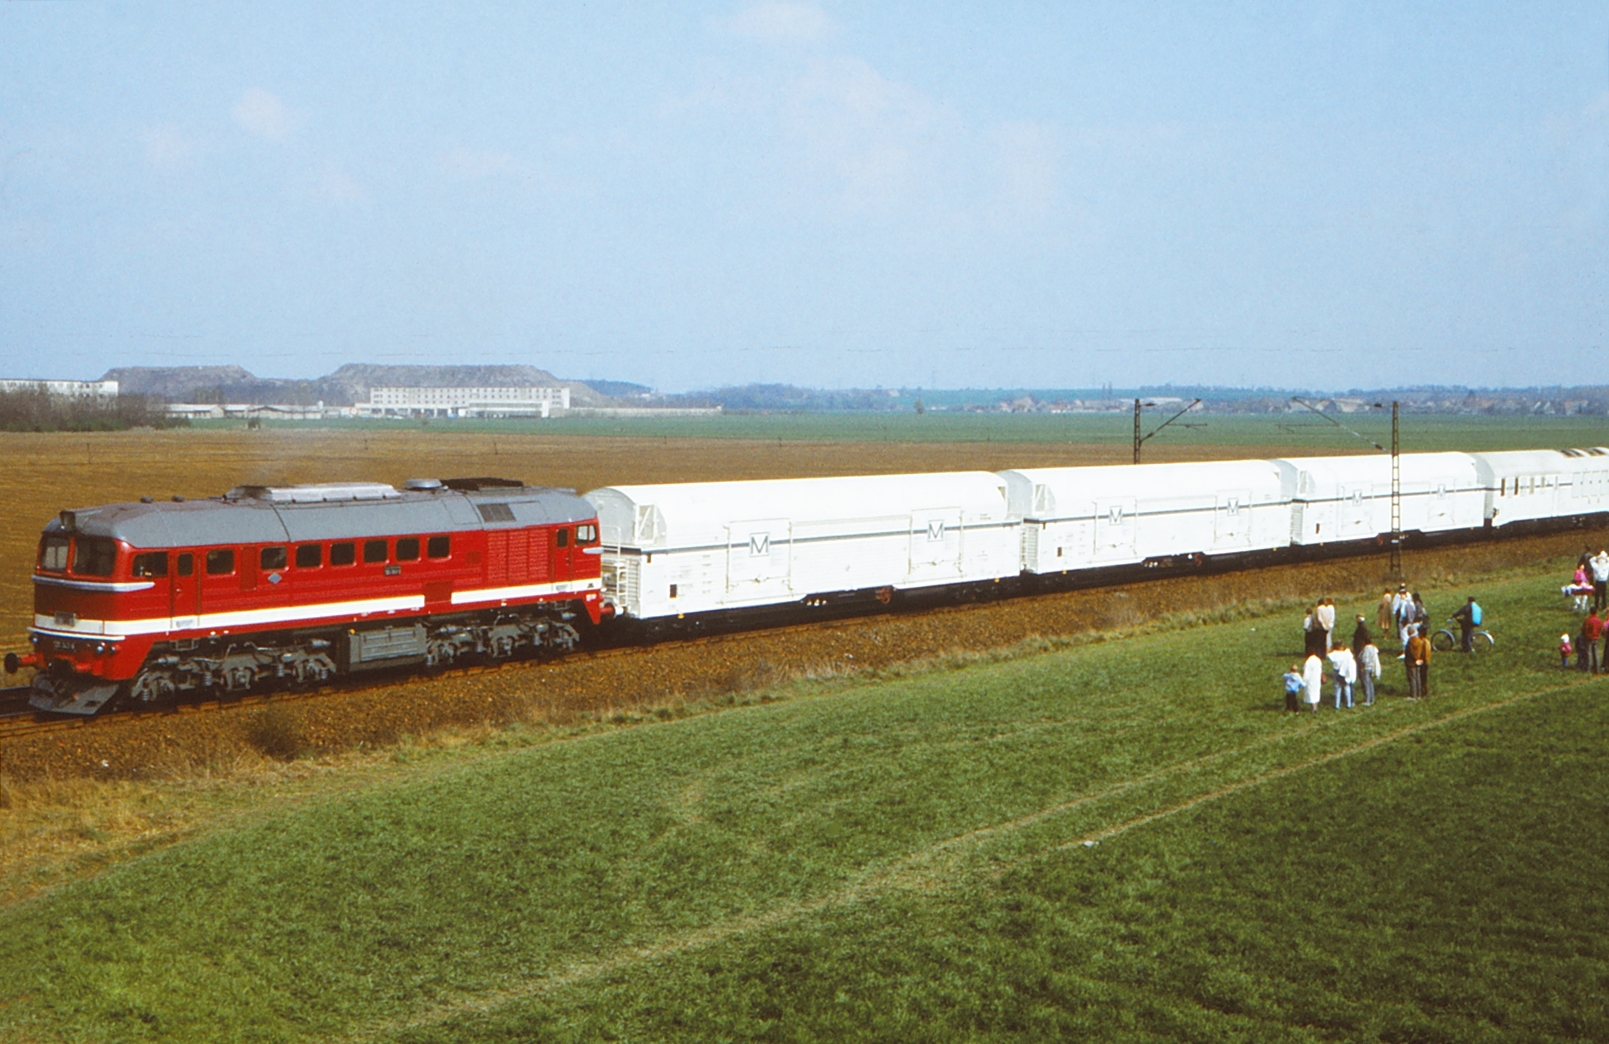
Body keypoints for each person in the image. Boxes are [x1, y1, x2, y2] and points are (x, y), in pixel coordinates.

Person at [1328, 643, 1357, 709]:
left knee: (1337, 688)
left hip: (1337, 671)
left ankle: (1337, 704)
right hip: (1344, 670)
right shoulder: (1345, 653)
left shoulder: (1334, 654)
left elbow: (1328, 655)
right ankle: (1348, 704)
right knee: (1346, 687)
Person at [1406, 626, 1431, 698]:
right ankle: (1419, 693)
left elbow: (1410, 652)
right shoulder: (1420, 640)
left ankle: (1414, 694)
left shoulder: (1411, 641)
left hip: (1412, 662)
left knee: (1413, 678)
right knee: (1418, 678)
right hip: (1420, 661)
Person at [1358, 639, 1381, 704]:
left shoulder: (1366, 648)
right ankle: (1372, 699)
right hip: (1371, 667)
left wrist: (1362, 666)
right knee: (1370, 683)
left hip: (1366, 668)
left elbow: (1365, 658)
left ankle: (1367, 700)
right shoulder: (1373, 648)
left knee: (1366, 684)